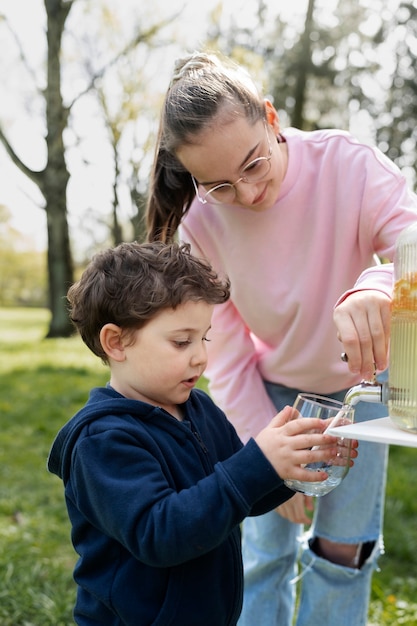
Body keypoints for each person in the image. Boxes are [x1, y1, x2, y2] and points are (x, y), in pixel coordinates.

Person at [145, 50, 417, 626]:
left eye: (253, 165)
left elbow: (410, 241)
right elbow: (228, 345)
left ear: (270, 118)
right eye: (218, 184)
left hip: (360, 390)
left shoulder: (349, 164)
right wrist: (258, 449)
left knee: (343, 551)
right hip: (268, 399)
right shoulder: (200, 224)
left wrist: (375, 287)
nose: (246, 195)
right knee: (264, 550)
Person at [47, 241, 349, 626]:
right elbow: (160, 532)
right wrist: (258, 461)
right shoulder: (102, 440)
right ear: (116, 342)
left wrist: (292, 463)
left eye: (204, 338)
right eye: (181, 341)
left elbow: (239, 498)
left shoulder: (198, 408)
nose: (201, 356)